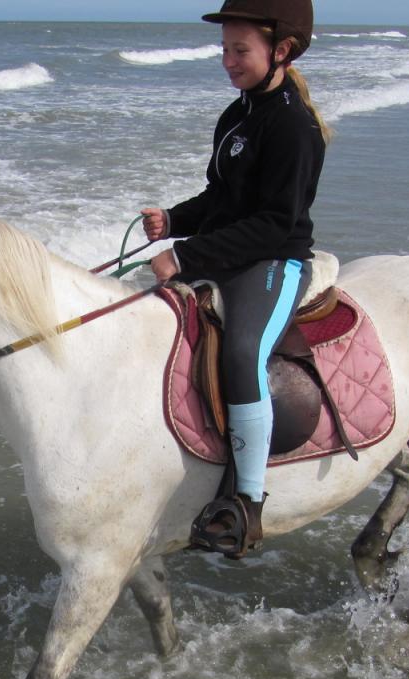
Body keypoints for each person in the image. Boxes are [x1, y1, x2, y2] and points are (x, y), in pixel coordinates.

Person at [142, 0, 330, 558]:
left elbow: (273, 223)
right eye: (224, 49)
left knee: (243, 351)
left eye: (239, 49)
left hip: (275, 260)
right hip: (232, 252)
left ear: (281, 50)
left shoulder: (295, 127)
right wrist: (174, 222)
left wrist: (186, 257)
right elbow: (221, 200)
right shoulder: (236, 116)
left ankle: (246, 503)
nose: (227, 60)